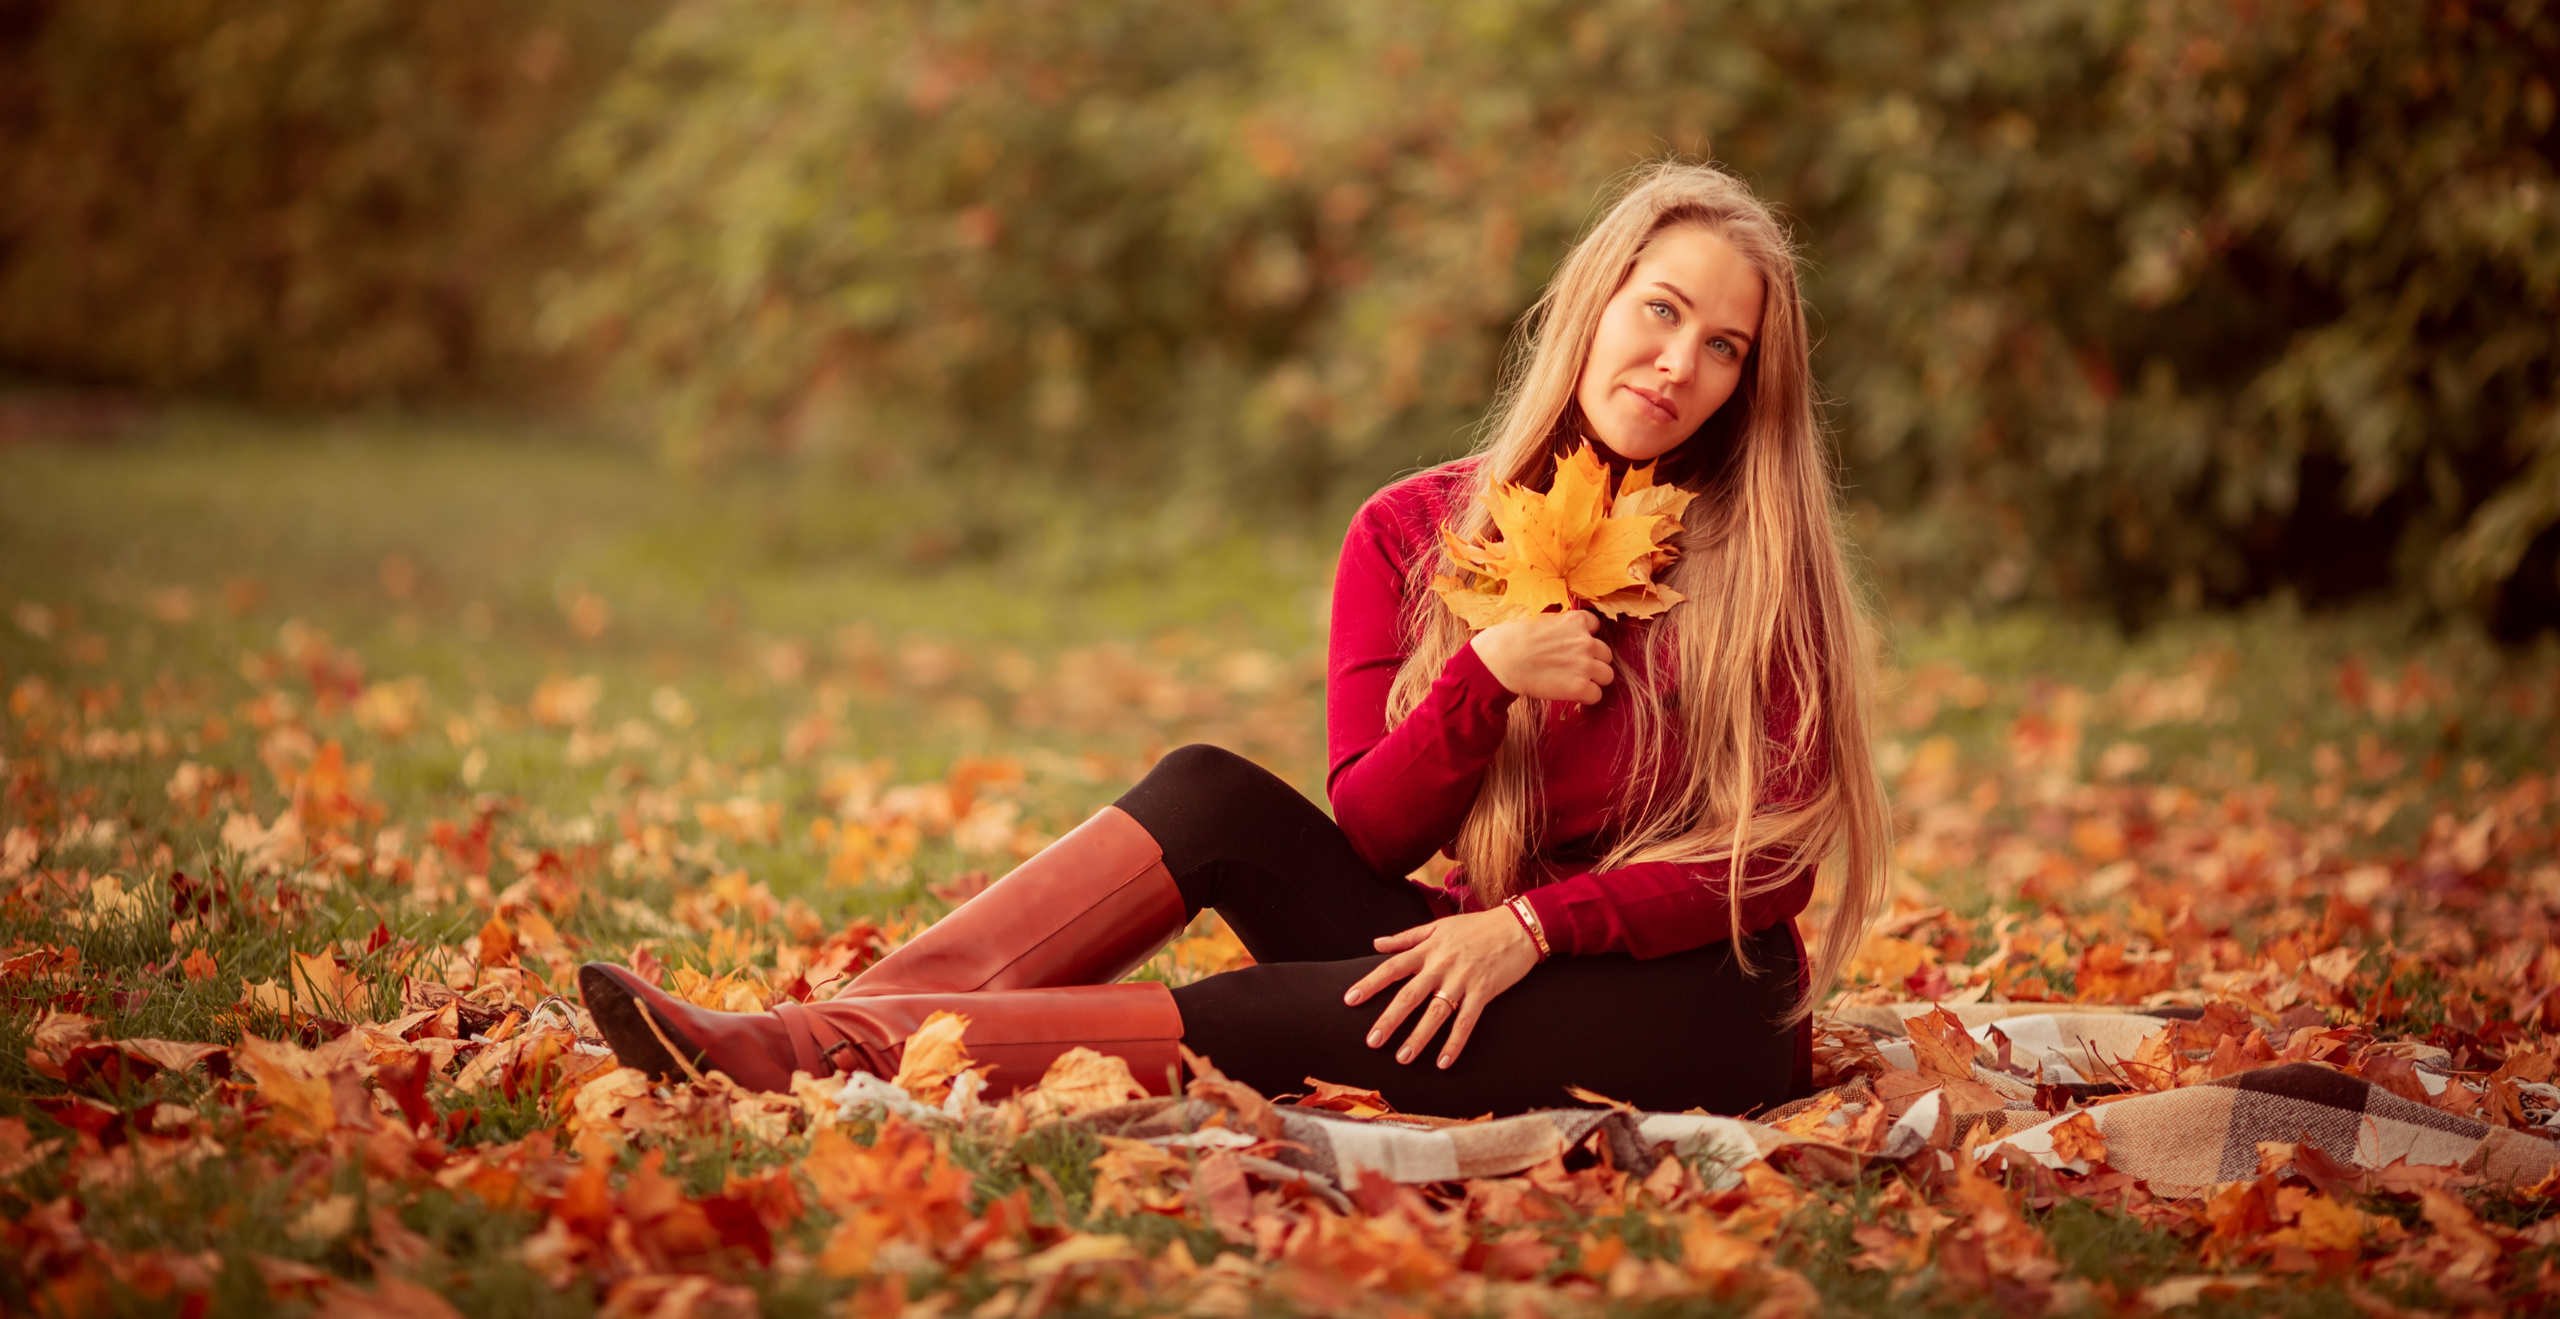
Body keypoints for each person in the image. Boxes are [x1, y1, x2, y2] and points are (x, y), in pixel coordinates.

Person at [581, 161, 1891, 1117]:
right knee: (1208, 789)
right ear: (1597, 302)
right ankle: (826, 1032)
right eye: (1660, 310)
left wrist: (1534, 930)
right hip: (1481, 936)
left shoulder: (1761, 558)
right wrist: (1483, 679)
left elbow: (1770, 866)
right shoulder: (1412, 530)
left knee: (1263, 1019)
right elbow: (1375, 835)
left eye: (1725, 348)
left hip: (1692, 996)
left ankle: (817, 1062)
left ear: (1744, 386)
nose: (1679, 364)